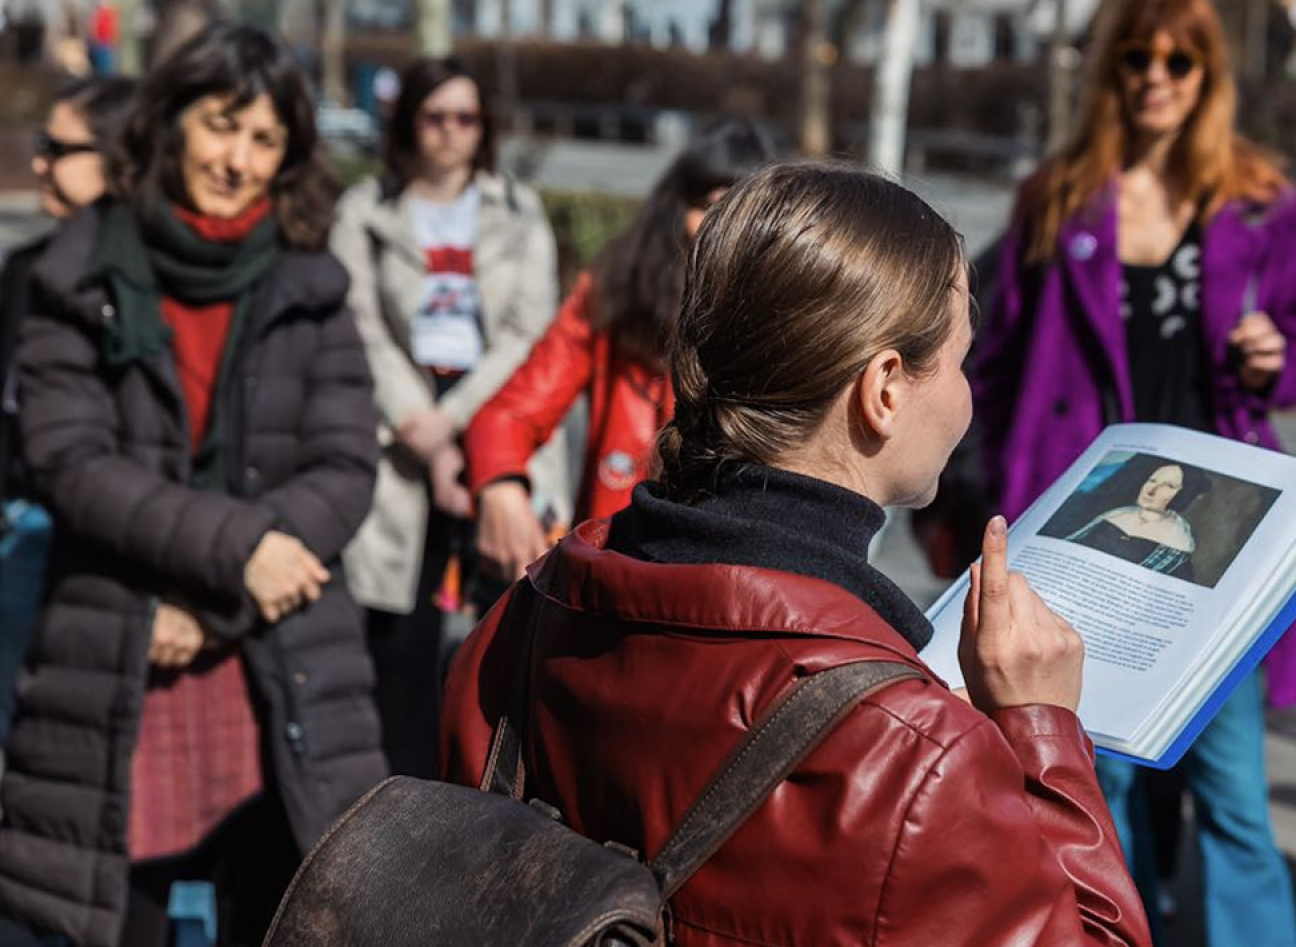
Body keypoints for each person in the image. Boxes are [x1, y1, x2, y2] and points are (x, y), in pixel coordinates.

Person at [442, 162, 1152, 945]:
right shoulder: (919, 754)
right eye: (958, 361)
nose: (965, 396)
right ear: (885, 389)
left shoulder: (528, 614)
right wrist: (1039, 725)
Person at [0, 23, 387, 947]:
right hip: (124, 637)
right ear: (170, 120)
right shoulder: (82, 265)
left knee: (282, 910)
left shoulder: (309, 280)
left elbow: (344, 466)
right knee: (119, 914)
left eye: (265, 140)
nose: (238, 161)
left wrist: (214, 605)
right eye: (222, 126)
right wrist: (240, 551)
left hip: (281, 649)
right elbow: (71, 461)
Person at [972, 0, 1296, 945]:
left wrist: (1276, 356)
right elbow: (995, 363)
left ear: (1209, 75)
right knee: (1098, 788)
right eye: (1138, 57)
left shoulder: (1261, 203)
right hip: (1085, 526)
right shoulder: (1057, 196)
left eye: (1181, 60)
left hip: (1218, 532)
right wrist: (980, 499)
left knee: (1235, 792)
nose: (1157, 77)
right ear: (1113, 69)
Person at [329, 55, 569, 779]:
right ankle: (398, 793)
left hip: (496, 416)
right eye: (434, 116)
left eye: (465, 117)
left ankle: (487, 796)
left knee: (504, 625)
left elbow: (529, 330)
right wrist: (419, 424)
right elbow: (356, 322)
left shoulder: (517, 210)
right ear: (408, 123)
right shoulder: (366, 210)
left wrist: (458, 423)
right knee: (399, 631)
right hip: (398, 425)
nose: (450, 132)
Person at [466, 116, 779, 582]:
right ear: (676, 211)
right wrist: (501, 484)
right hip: (618, 568)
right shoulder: (610, 298)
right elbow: (510, 412)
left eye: (741, 211)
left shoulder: (788, 323)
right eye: (708, 206)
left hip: (738, 578)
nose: (721, 228)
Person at [0, 76, 137, 743]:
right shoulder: (25, 268)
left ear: (118, 156)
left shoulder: (148, 282)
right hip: (23, 523)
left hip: (111, 541)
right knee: (18, 732)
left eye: (57, 147)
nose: (39, 162)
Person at [1068, 463, 1199, 578]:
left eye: (1169, 486)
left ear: (1184, 493)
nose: (1151, 491)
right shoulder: (1115, 515)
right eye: (1152, 481)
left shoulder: (1178, 542)